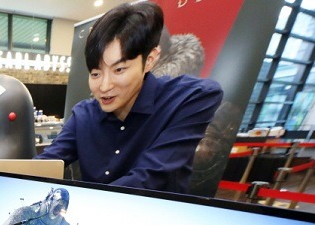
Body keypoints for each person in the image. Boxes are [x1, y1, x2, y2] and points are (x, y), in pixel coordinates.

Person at [35, 2, 223, 194]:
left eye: (119, 70)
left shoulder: (187, 100)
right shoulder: (84, 114)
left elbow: (150, 176)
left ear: (149, 60)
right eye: (96, 74)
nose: (104, 87)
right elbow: (47, 162)